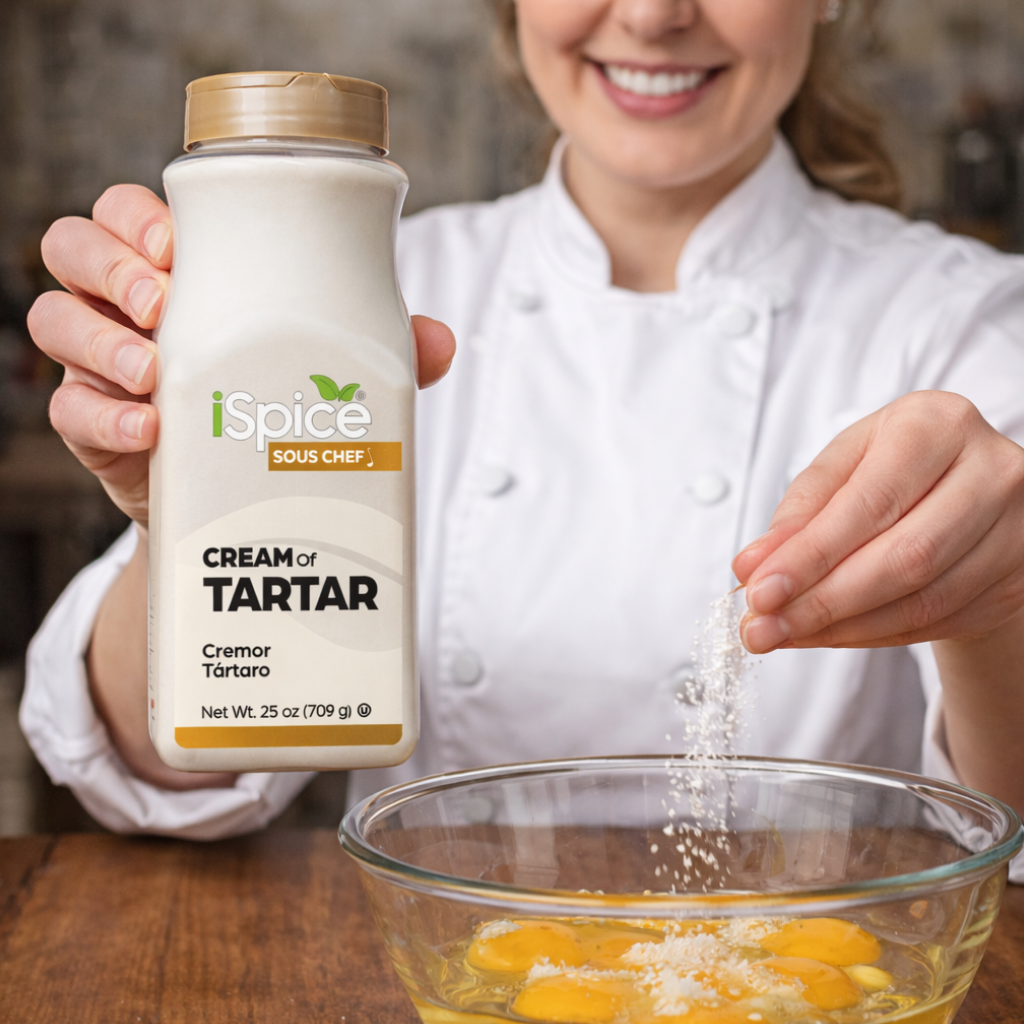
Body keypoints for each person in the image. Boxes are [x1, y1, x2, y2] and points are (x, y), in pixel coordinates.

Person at [19, 0, 1024, 878]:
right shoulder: (361, 287)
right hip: (455, 961)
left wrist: (992, 606)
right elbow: (153, 770)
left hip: (813, 967)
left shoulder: (961, 324)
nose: (652, 12)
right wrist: (178, 518)